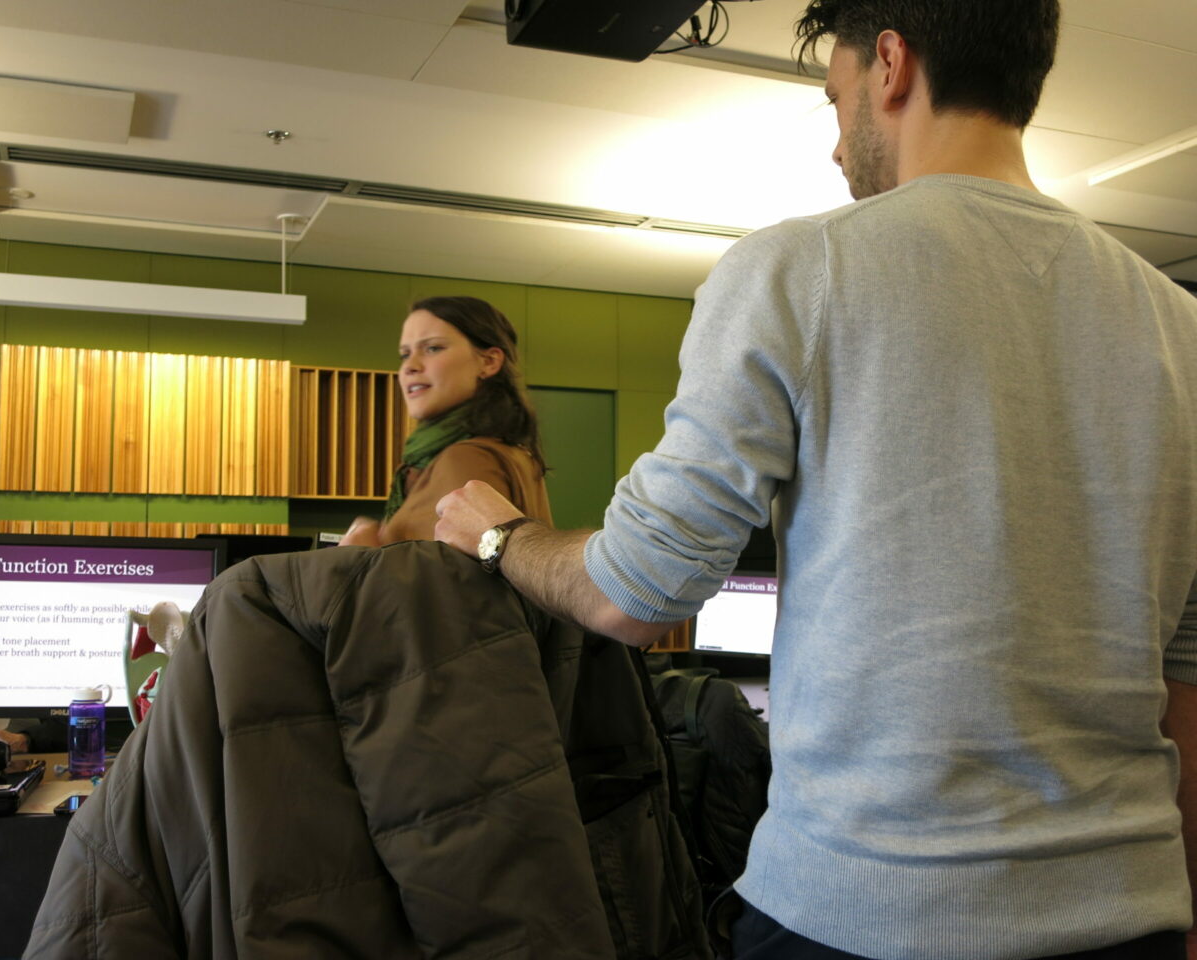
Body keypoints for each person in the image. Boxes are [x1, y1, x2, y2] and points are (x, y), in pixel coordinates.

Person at [434, 2, 1197, 959]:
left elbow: (640, 590)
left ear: (891, 66)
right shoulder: (1179, 325)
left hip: (869, 916)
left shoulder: (800, 268)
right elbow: (1185, 670)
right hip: (1130, 916)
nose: (838, 148)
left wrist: (502, 535)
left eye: (835, 103)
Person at [339, 295, 551, 548]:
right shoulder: (486, 450)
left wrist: (359, 557)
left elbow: (456, 582)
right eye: (405, 354)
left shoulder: (467, 458)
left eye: (433, 348)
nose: (410, 366)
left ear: (489, 361)